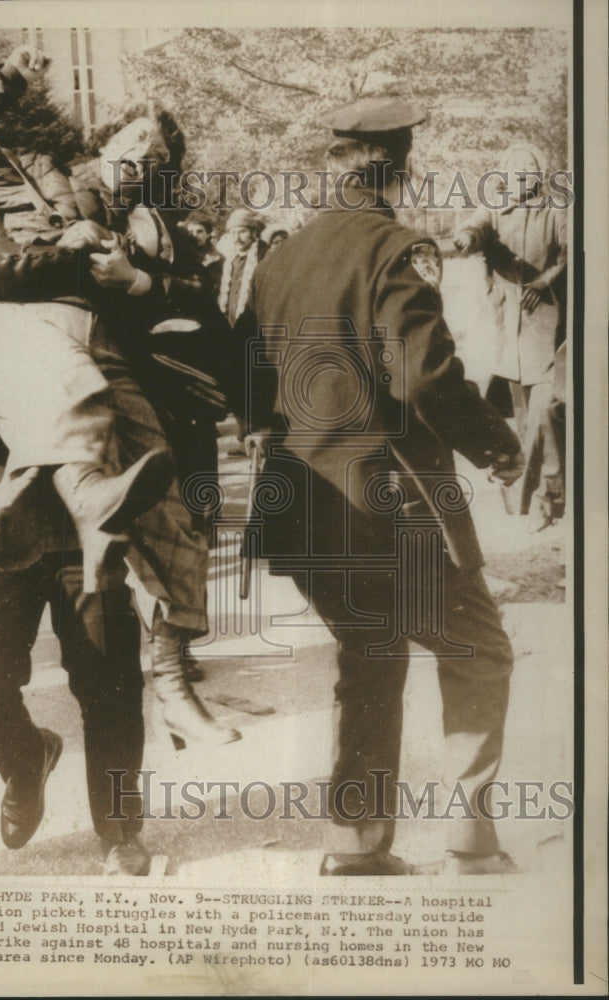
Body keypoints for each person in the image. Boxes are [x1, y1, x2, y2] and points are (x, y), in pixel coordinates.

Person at [236, 96, 525, 876]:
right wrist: (497, 444)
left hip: (301, 508)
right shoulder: (397, 248)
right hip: (389, 502)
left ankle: (354, 842)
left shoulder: (277, 260)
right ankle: (469, 835)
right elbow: (424, 373)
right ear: (398, 170)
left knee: (370, 649)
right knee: (479, 648)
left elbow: (246, 384)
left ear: (331, 171)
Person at [0, 46, 239, 747]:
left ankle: (175, 683)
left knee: (168, 514)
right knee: (78, 399)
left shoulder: (160, 231)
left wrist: (137, 281)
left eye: (153, 154)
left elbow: (206, 313)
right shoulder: (32, 178)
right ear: (107, 139)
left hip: (104, 353)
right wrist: (8, 77)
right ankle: (43, 505)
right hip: (32, 336)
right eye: (131, 141)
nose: (137, 158)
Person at [0, 201, 151, 876]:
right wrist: (16, 424)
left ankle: (120, 831)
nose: (7, 222)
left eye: (24, 210)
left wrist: (136, 284)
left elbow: (156, 355)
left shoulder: (87, 277)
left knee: (109, 677)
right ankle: (26, 760)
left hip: (80, 516)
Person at [454, 143, 567, 516]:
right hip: (508, 331)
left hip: (546, 326)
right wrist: (467, 238)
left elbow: (572, 252)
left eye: (527, 171)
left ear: (538, 175)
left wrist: (544, 282)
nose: (520, 177)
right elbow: (477, 225)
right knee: (520, 422)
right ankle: (524, 502)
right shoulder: (497, 209)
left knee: (546, 414)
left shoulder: (557, 210)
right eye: (513, 171)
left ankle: (551, 497)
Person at [218, 208, 266, 455]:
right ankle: (243, 434)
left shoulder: (265, 256)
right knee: (235, 383)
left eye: (242, 231)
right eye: (233, 232)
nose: (237, 237)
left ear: (253, 232)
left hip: (256, 331)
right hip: (232, 329)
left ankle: (256, 437)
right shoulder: (230, 261)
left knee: (256, 382)